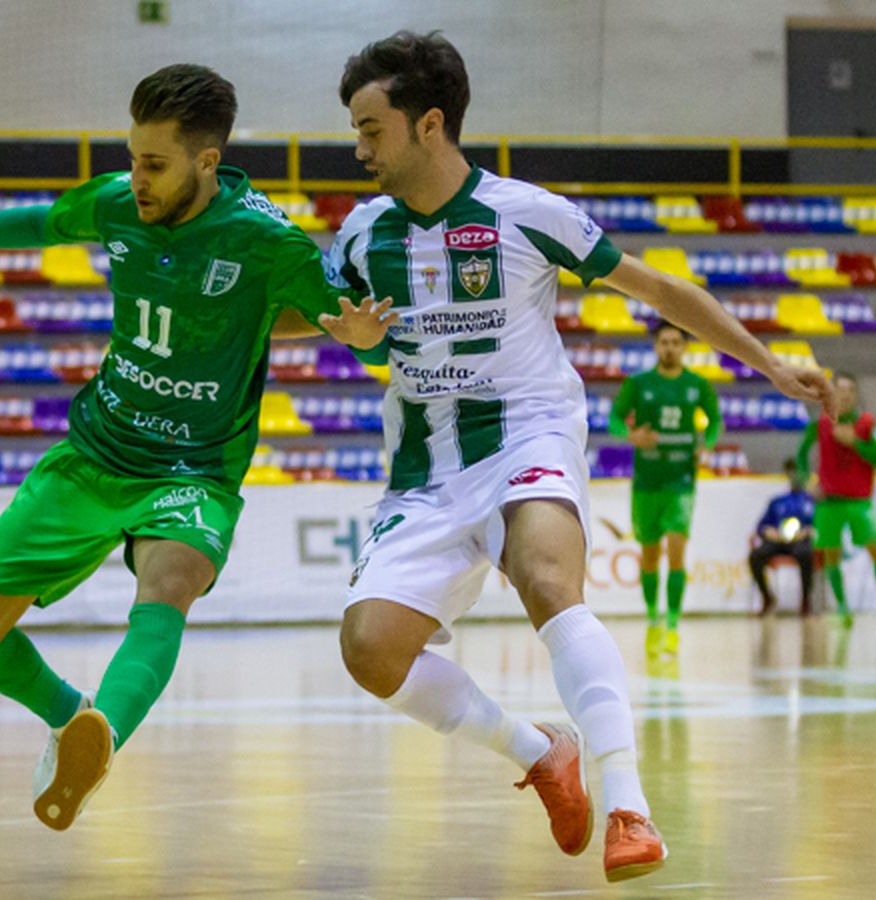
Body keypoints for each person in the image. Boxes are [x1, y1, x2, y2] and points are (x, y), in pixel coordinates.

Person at [327, 31, 832, 883]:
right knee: (369, 650)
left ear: (429, 125)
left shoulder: (528, 213)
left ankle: (630, 806)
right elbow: (305, 314)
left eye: (371, 129)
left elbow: (666, 292)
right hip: (424, 471)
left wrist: (770, 362)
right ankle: (539, 751)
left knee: (548, 580)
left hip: (527, 436)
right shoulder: (360, 235)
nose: (359, 149)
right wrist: (347, 328)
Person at [0, 64, 393, 832]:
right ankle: (70, 719)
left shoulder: (266, 241)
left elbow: (351, 330)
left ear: (207, 162)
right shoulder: (118, 203)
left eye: (155, 163)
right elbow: (43, 222)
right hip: (96, 452)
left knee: (169, 581)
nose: (136, 178)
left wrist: (367, 342)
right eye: (133, 157)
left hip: (194, 470)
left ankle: (101, 737)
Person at [609, 321, 721, 655]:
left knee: (676, 551)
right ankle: (653, 618)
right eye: (664, 342)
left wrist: (707, 444)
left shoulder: (697, 385)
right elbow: (615, 419)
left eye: (675, 342)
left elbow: (714, 421)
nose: (670, 347)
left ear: (684, 347)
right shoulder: (638, 384)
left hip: (681, 482)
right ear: (656, 347)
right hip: (646, 481)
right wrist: (631, 436)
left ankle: (672, 624)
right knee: (648, 556)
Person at [796, 372, 876, 626]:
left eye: (850, 390)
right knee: (831, 556)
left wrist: (856, 443)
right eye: (841, 389)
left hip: (860, 502)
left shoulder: (867, 423)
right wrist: (807, 479)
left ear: (855, 394)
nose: (846, 394)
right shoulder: (819, 424)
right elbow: (801, 455)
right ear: (833, 393)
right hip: (829, 502)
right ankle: (842, 609)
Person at [749, 459, 817, 616]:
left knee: (806, 554)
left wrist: (807, 532)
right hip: (778, 541)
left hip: (799, 541)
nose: (795, 477)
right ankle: (767, 597)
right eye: (791, 473)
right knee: (756, 556)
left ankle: (806, 601)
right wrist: (769, 532)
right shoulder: (777, 501)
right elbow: (762, 526)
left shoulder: (811, 501)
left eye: (798, 472)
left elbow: (818, 526)